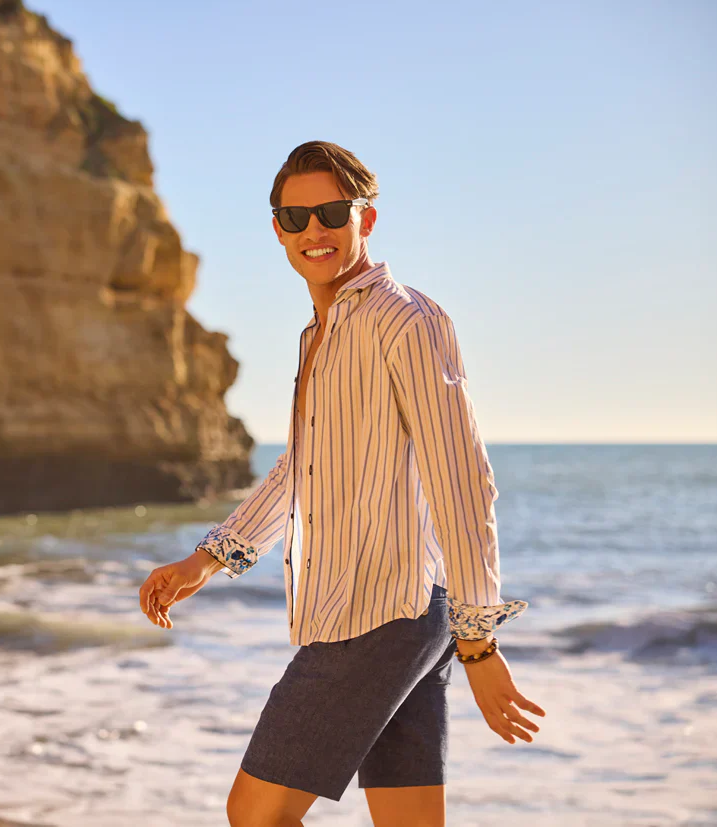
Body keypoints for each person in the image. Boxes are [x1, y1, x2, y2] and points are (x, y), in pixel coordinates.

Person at [137, 140, 547, 827]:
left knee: (255, 812)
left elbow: (462, 480)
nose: (314, 232)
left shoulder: (406, 321)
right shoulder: (320, 333)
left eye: (330, 211)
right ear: (276, 230)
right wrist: (205, 560)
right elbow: (297, 468)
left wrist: (479, 640)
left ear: (366, 217)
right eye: (294, 218)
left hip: (384, 612)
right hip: (394, 610)